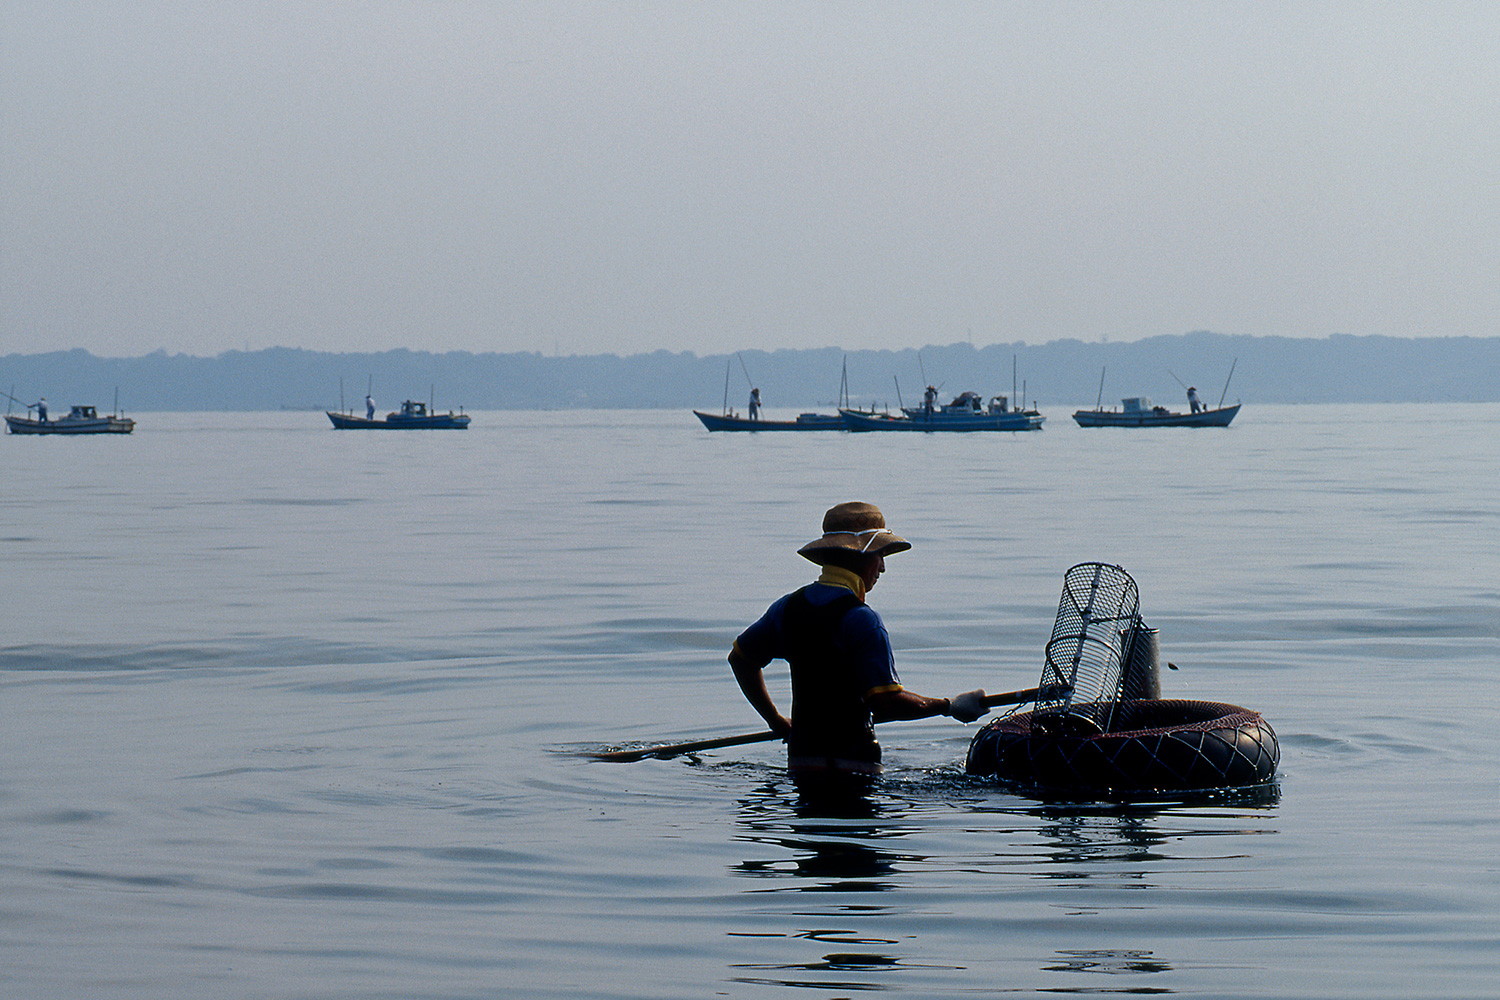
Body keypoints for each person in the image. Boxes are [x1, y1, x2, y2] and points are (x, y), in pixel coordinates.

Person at [728, 501, 990, 782]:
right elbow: (885, 702)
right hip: (852, 769)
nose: (883, 567)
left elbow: (741, 660)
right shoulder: (862, 620)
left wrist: (776, 721)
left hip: (802, 763)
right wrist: (949, 706)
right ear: (861, 556)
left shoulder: (786, 609)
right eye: (880, 555)